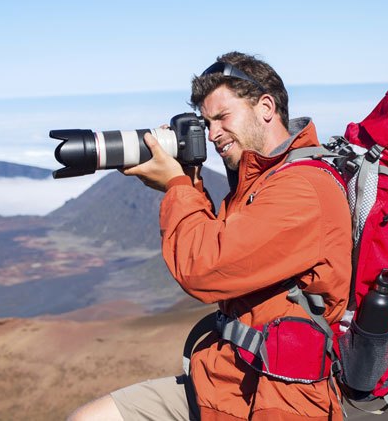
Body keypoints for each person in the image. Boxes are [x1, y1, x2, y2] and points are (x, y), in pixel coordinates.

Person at [68, 52, 351, 421]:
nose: (213, 133)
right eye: (206, 122)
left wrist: (176, 186)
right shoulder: (261, 181)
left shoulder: (301, 189)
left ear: (266, 107)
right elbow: (216, 239)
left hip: (279, 396)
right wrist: (189, 181)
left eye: (222, 117)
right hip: (226, 378)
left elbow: (204, 267)